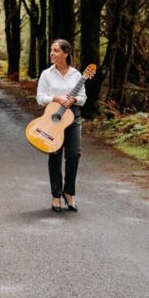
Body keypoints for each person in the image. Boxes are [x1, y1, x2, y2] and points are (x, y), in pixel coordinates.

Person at [35, 39, 87, 213]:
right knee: (55, 155)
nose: (52, 53)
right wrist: (56, 98)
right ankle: (56, 195)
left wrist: (74, 99)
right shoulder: (46, 74)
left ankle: (69, 192)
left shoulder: (76, 75)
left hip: (73, 117)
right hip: (54, 118)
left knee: (74, 155)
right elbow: (40, 98)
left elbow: (83, 98)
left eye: (56, 50)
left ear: (66, 53)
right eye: (51, 50)